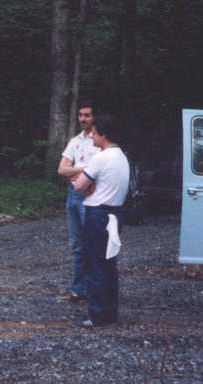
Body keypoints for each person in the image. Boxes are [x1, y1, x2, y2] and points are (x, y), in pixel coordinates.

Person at [73, 114, 130, 327]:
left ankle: (97, 314)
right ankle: (110, 312)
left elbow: (79, 185)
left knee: (95, 263)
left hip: (98, 215)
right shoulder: (122, 157)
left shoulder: (101, 157)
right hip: (115, 213)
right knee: (109, 264)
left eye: (94, 133)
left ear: (103, 135)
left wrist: (86, 186)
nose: (92, 136)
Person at [57, 101, 99, 302]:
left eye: (87, 115)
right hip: (73, 194)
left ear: (94, 117)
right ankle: (78, 290)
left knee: (92, 242)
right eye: (81, 115)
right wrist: (85, 169)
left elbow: (99, 170)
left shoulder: (100, 140)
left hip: (91, 194)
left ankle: (94, 290)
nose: (83, 118)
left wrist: (76, 170)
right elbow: (61, 170)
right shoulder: (75, 141)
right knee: (77, 245)